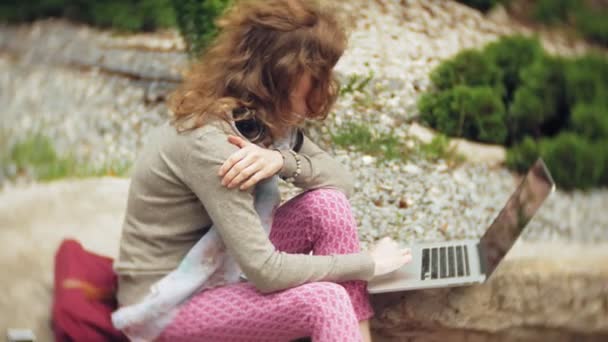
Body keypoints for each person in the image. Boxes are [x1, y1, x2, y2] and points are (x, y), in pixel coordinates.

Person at [113, 0, 412, 340]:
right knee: (325, 300)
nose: (324, 90)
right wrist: (369, 264)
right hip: (169, 303)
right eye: (315, 78)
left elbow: (341, 182)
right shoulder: (214, 144)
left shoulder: (259, 122)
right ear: (278, 77)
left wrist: (282, 160)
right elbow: (266, 271)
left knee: (328, 205)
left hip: (218, 264)